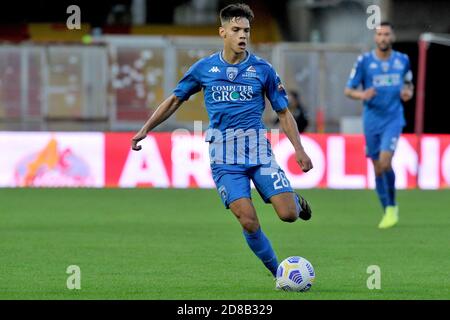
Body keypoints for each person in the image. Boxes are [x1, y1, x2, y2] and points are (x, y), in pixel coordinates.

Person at [131, 3, 313, 282]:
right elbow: (175, 99)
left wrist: (298, 150)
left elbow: (283, 112)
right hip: (224, 159)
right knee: (248, 221)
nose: (243, 35)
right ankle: (279, 273)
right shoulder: (204, 69)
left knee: (287, 215)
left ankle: (296, 203)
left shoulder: (262, 69)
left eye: (247, 30)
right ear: (223, 32)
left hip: (258, 154)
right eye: (237, 30)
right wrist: (146, 128)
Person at [344, 21, 414, 229]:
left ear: (392, 37)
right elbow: (348, 90)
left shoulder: (403, 60)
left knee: (385, 162)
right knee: (377, 168)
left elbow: (409, 83)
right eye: (380, 34)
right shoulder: (364, 61)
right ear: (375, 38)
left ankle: (392, 207)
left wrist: (407, 92)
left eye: (387, 34)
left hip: (393, 118)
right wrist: (361, 94)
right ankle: (386, 209)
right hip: (372, 120)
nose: (383, 38)